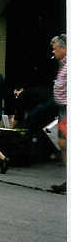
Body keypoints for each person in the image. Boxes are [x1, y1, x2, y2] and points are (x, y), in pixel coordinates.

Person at [50, 34, 66, 193]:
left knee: (65, 143)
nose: (53, 52)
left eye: (55, 49)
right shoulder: (63, 64)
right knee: (63, 143)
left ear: (63, 48)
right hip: (63, 110)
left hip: (67, 109)